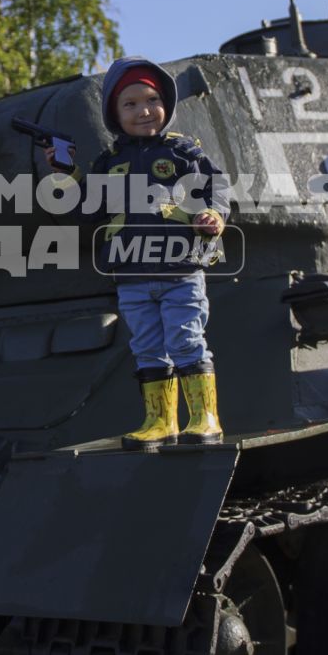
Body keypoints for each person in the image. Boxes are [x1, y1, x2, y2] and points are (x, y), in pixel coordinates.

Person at [85, 56, 227, 448]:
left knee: (186, 340)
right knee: (147, 347)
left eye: (151, 99)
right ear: (114, 113)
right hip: (131, 274)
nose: (143, 111)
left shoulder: (183, 153)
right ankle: (161, 421)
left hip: (180, 270)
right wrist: (63, 173)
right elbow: (88, 209)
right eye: (129, 104)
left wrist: (214, 214)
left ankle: (205, 417)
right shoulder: (109, 163)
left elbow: (216, 189)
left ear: (165, 103)